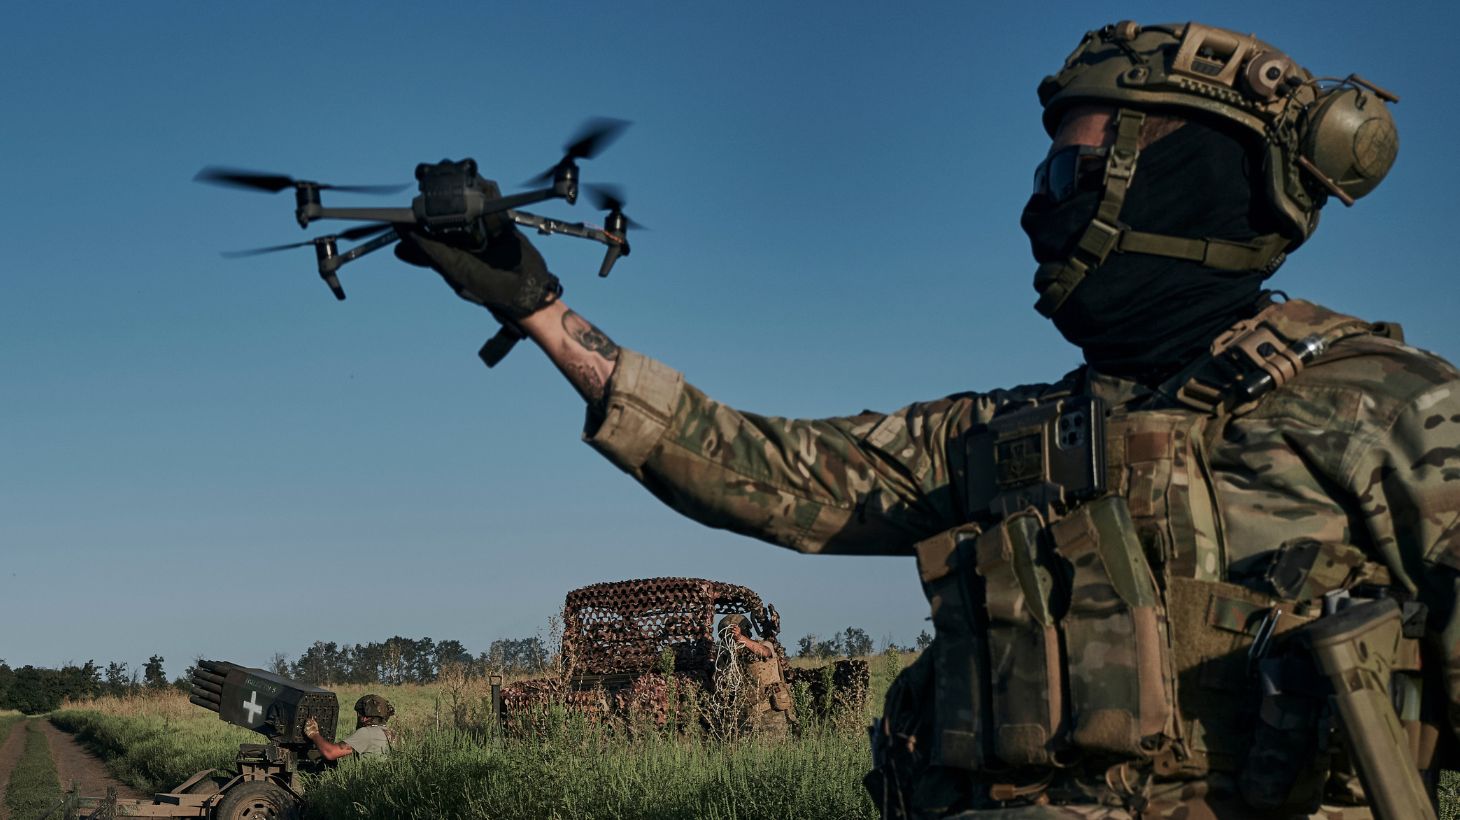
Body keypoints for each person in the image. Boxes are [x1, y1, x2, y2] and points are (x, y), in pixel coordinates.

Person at [394, 21, 1459, 818]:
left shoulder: (1382, 407)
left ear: (1180, 180)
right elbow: (768, 470)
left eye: (1068, 173)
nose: (1037, 207)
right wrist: (538, 311)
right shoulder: (1002, 438)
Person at [717, 613, 794, 736]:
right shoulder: (727, 657)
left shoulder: (763, 644)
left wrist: (740, 638)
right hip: (745, 713)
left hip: (770, 710)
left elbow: (765, 652)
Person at [303, 694, 395, 761]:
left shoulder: (366, 733)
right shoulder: (391, 733)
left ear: (365, 717)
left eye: (359, 714)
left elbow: (330, 753)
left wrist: (313, 733)